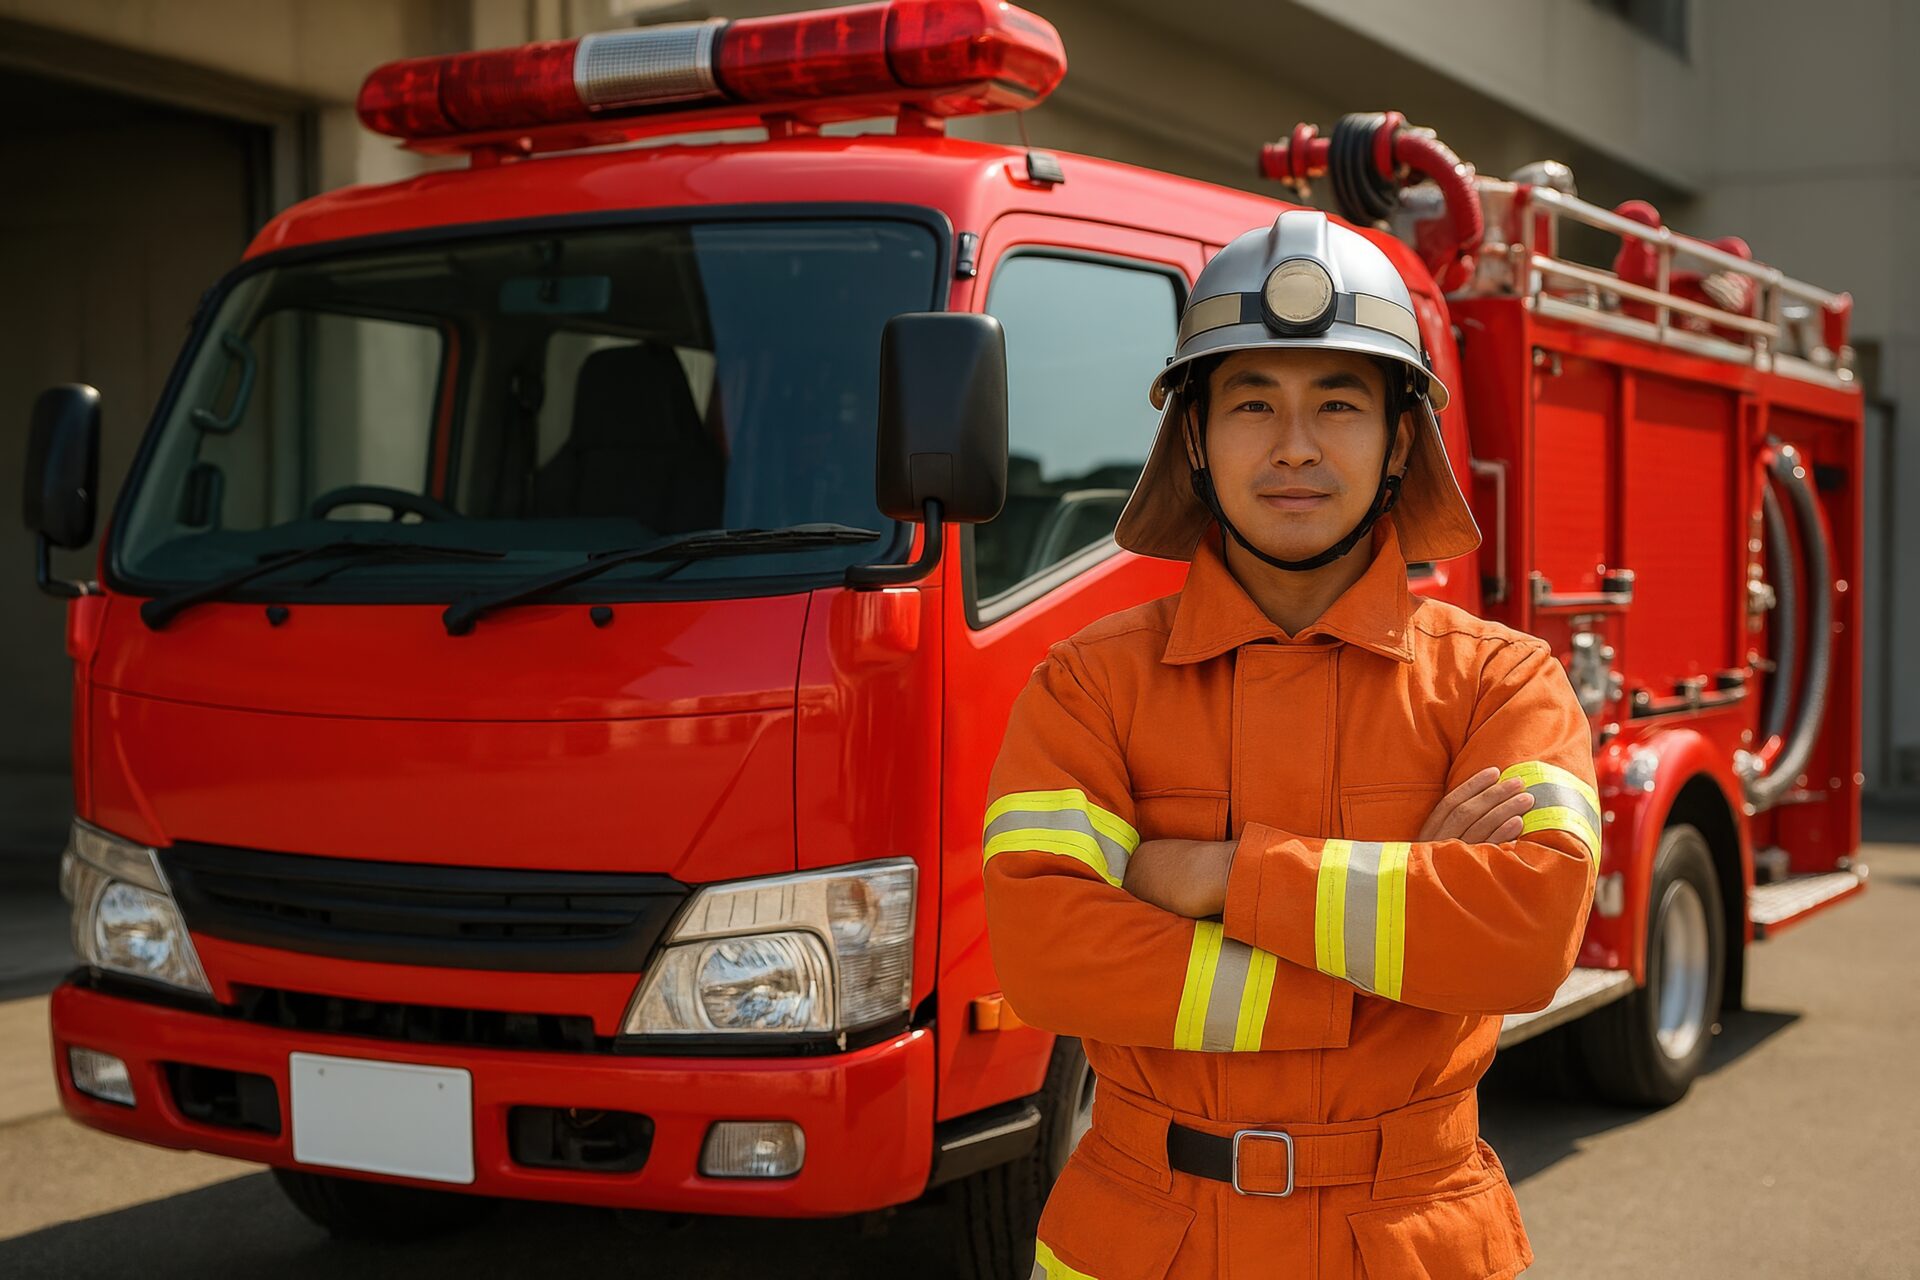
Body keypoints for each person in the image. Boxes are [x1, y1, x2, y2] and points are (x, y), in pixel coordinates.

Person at [982, 209, 1599, 1279]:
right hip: (1138, 1237)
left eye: (1341, 404)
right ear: (1195, 437)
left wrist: (1213, 874)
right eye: (1254, 401)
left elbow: (1529, 936)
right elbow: (1045, 952)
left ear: (1402, 437)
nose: (1296, 444)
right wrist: (1392, 952)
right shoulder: (1085, 682)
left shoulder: (1504, 681)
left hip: (1412, 1236)